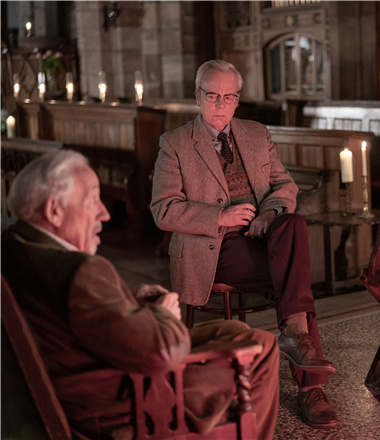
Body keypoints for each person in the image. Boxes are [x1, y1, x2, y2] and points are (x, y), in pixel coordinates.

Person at [1, 150, 280, 439]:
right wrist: (163, 313)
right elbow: (162, 353)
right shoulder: (82, 270)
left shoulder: (13, 244)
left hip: (83, 382)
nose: (104, 213)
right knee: (261, 346)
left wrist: (131, 304)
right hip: (124, 403)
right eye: (92, 201)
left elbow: (80, 314)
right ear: (54, 211)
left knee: (234, 330)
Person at [150, 59, 339, 429]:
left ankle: (296, 337)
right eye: (212, 96)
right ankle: (310, 384)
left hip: (261, 236)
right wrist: (220, 217)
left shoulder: (256, 133)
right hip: (213, 248)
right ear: (197, 96)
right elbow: (163, 210)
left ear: (237, 100)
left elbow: (284, 186)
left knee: (292, 223)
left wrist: (269, 212)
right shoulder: (175, 143)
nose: (220, 105)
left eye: (229, 97)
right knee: (294, 278)